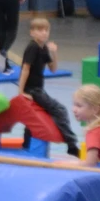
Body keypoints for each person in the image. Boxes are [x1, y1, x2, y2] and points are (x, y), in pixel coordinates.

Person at [19, 18, 80, 156]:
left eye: (46, 30)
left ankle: (26, 144)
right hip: (32, 90)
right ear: (32, 32)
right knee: (60, 110)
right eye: (40, 30)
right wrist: (21, 91)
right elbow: (25, 69)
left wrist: (54, 52)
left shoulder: (43, 48)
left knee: (33, 117)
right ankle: (71, 144)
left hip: (39, 89)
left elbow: (53, 69)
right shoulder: (32, 47)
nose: (44, 33)